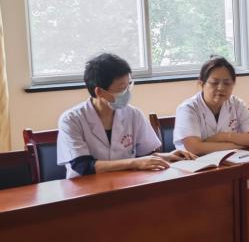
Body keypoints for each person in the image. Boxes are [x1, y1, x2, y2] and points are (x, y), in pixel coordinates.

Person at [57, 52, 192, 179]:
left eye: (129, 85)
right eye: (122, 88)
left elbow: (145, 155)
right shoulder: (71, 120)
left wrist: (167, 156)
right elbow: (83, 166)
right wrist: (134, 163)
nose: (127, 93)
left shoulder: (133, 114)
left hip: (126, 182)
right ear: (99, 92)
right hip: (87, 187)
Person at [173, 56, 249, 154]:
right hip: (196, 162)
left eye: (227, 83)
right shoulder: (188, 108)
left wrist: (224, 136)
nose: (221, 88)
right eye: (214, 83)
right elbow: (194, 148)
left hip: (232, 160)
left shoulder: (237, 104)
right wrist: (236, 146)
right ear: (202, 84)